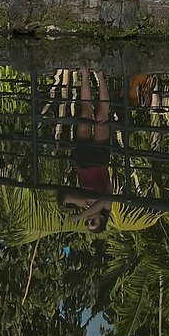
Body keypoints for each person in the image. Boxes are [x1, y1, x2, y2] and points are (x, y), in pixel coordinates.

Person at [59, 68, 114, 232]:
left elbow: (66, 197)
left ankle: (84, 74)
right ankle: (100, 76)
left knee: (85, 113)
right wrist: (80, 216)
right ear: (101, 219)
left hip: (82, 159)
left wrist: (62, 204)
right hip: (99, 159)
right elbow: (102, 201)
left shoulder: (84, 202)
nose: (89, 220)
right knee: (101, 117)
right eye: (93, 223)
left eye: (87, 223)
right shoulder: (107, 203)